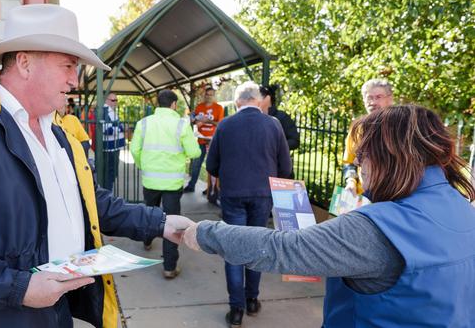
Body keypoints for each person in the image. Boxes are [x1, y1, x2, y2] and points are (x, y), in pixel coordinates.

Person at [0, 4, 193, 328]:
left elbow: (90, 202)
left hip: (53, 310)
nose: (75, 80)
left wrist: (160, 223)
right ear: (24, 62)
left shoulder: (59, 134)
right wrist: (17, 287)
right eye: (68, 66)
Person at [184, 104, 475, 327]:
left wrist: (199, 232)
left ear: (391, 156)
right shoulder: (462, 207)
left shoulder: (376, 227)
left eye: (363, 156)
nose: (359, 166)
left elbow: (280, 249)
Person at [205, 81, 292, 327]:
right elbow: (285, 167)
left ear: (236, 102)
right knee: (258, 246)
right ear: (258, 100)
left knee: (233, 249)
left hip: (232, 196)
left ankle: (236, 310)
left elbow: (211, 165)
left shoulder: (225, 125)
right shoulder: (273, 126)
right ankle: (252, 299)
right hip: (262, 196)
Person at [130, 89, 201, 278]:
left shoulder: (144, 123)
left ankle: (146, 240)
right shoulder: (181, 124)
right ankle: (169, 267)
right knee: (172, 223)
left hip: (150, 179)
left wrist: (143, 164)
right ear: (174, 104)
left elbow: (135, 149)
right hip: (172, 183)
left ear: (157, 104)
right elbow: (194, 152)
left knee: (149, 212)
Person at [343, 78, 394, 195]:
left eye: (378, 97)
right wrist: (351, 181)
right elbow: (349, 162)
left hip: (392, 196)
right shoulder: (357, 127)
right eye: (369, 97)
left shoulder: (401, 127)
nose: (373, 102)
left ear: (390, 98)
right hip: (362, 196)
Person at [184, 86, 224, 193]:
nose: (209, 97)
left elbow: (220, 123)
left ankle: (210, 188)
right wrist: (194, 120)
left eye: (211, 95)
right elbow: (193, 120)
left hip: (212, 141)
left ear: (214, 96)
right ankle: (191, 186)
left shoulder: (219, 108)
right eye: (207, 94)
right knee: (196, 164)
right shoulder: (199, 107)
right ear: (204, 95)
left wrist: (208, 121)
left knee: (211, 165)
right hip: (200, 139)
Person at [258, 84, 299, 151]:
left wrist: (275, 147)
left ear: (267, 98)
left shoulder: (282, 117)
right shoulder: (254, 117)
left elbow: (294, 141)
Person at [101, 93, 125, 190]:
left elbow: (116, 127)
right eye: (113, 100)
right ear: (106, 100)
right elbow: (107, 130)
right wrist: (120, 128)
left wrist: (119, 127)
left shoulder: (111, 111)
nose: (115, 102)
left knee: (112, 173)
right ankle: (107, 194)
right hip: (109, 148)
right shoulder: (105, 111)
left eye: (116, 100)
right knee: (108, 173)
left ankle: (108, 193)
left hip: (114, 147)